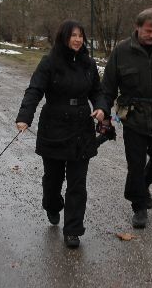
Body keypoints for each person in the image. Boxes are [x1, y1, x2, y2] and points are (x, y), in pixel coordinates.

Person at [15, 20, 107, 248]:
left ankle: (73, 230)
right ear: (64, 37)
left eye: (80, 35)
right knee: (53, 179)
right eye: (73, 35)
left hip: (81, 128)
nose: (77, 39)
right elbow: (35, 89)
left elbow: (98, 91)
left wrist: (101, 107)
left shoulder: (88, 63)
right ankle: (52, 205)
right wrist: (25, 116)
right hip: (54, 126)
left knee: (78, 183)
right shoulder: (50, 62)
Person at [102, 7, 152, 229]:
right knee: (135, 164)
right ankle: (139, 207)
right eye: (148, 30)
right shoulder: (122, 51)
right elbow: (108, 86)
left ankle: (140, 187)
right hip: (133, 115)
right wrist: (104, 112)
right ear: (137, 28)